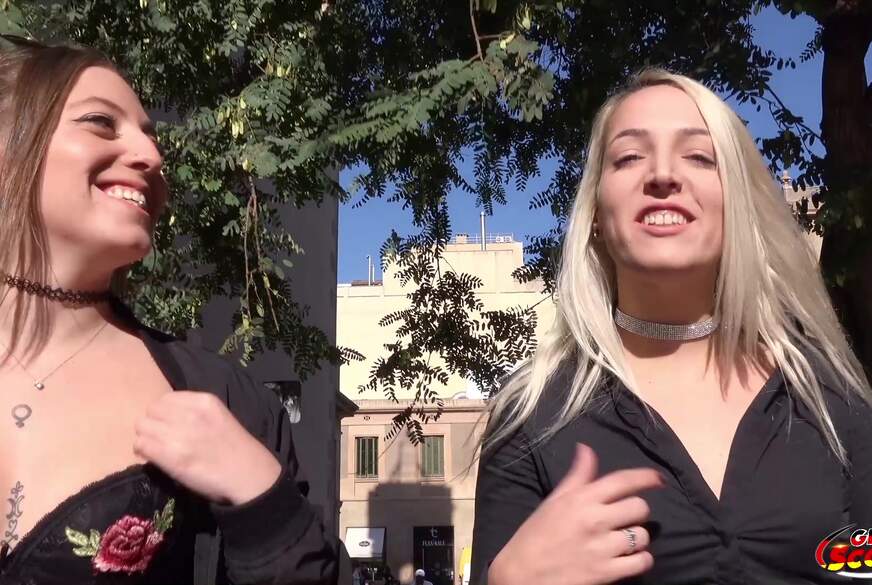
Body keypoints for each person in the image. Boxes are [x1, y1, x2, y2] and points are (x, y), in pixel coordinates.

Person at [471, 68, 872, 585]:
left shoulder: (831, 399)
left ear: (738, 204)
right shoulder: (532, 415)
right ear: (595, 214)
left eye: (699, 156)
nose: (662, 174)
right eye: (629, 157)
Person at [0, 36, 337, 584]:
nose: (152, 157)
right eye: (101, 123)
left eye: (151, 137)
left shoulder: (225, 400)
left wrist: (261, 498)